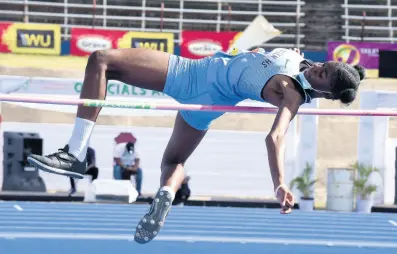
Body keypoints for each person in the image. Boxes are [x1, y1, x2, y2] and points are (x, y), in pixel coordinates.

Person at [26, 46, 365, 244]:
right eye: (325, 64)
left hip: (192, 74)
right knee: (172, 160)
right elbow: (264, 61)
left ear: (326, 94)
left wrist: (278, 183)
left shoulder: (291, 94)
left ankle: (74, 153)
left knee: (101, 60)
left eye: (322, 75)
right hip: (207, 102)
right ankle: (166, 195)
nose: (319, 68)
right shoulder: (305, 63)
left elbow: (275, 137)